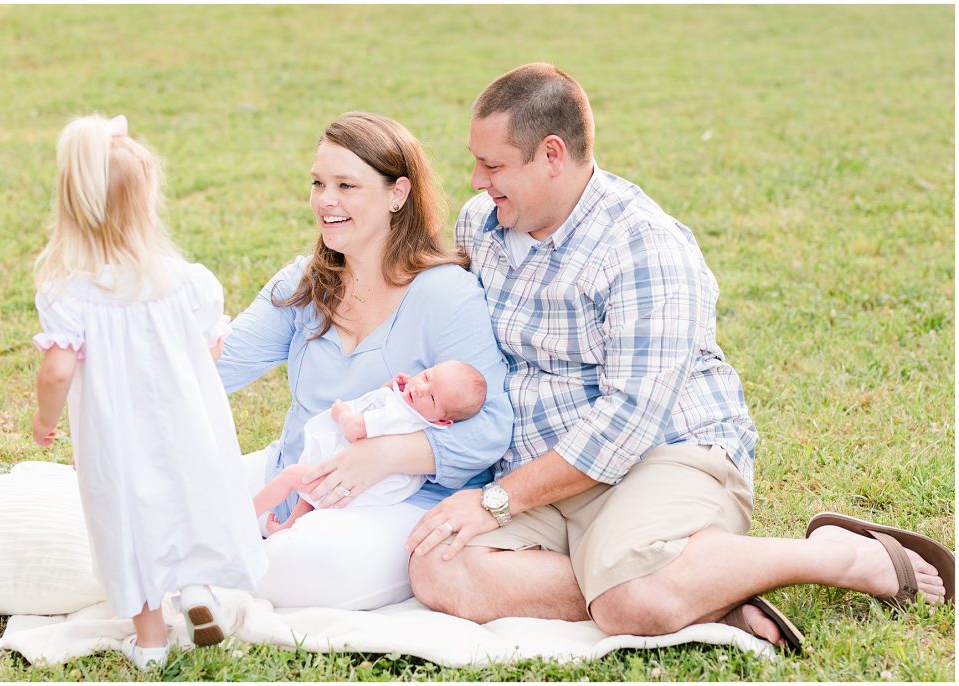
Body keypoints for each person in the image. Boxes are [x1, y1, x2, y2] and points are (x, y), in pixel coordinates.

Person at [406, 63, 955, 652]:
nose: (475, 179)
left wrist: (498, 500)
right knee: (437, 565)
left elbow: (629, 422)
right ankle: (702, 584)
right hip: (547, 471)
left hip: (662, 455)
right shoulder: (483, 226)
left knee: (631, 601)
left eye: (492, 166)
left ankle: (839, 557)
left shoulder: (643, 244)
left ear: (551, 154)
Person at [217, 112, 513, 610]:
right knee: (162, 505)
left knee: (304, 562)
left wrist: (384, 455)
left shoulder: (447, 295)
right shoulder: (307, 280)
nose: (324, 200)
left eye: (346, 185)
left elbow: (491, 430)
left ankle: (207, 573)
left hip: (398, 502)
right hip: (292, 474)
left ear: (398, 194)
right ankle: (208, 564)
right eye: (318, 183)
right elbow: (217, 366)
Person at [31, 114, 267, 670]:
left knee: (127, 520)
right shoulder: (187, 282)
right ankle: (198, 594)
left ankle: (152, 642)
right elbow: (210, 351)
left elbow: (57, 371)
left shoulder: (69, 290)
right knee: (188, 500)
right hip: (185, 423)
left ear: (71, 207)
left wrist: (45, 420)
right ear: (147, 203)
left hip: (115, 435)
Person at [253, 360, 487, 535]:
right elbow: (379, 405)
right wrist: (392, 388)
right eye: (426, 377)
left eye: (433, 398)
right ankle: (286, 528)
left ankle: (245, 516)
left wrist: (341, 413)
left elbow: (356, 429)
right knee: (311, 495)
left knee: (293, 475)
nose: (421, 389)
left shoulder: (402, 416)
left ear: (442, 421)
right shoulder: (415, 413)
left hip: (361, 483)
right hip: (363, 480)